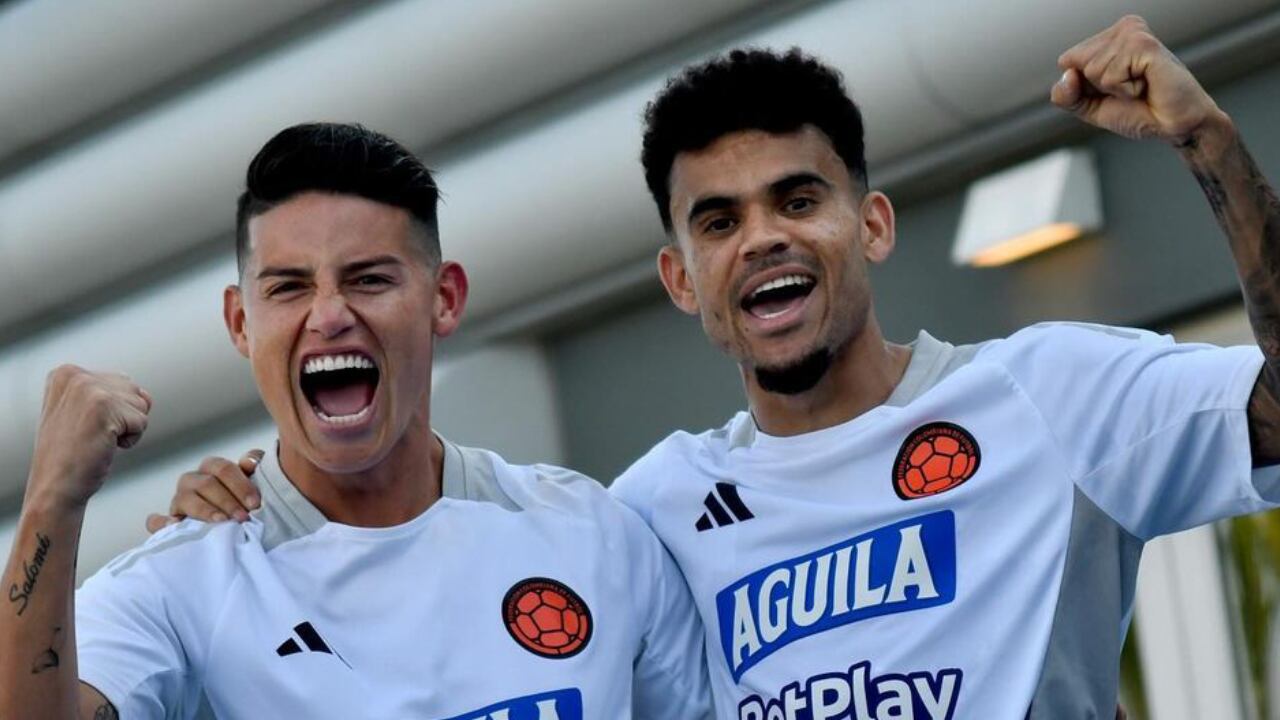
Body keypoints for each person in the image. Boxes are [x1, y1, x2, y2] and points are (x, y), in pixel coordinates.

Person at [158, 16, 1278, 719]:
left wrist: (1211, 145)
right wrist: (264, 511)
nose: (763, 240)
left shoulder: (1049, 396)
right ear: (681, 279)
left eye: (798, 200)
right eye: (719, 221)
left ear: (872, 224)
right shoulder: (647, 514)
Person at [0, 123, 710, 719]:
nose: (330, 315)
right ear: (241, 322)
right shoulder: (182, 580)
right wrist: (52, 504)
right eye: (289, 287)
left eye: (369, 279)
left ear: (444, 299)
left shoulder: (593, 533)